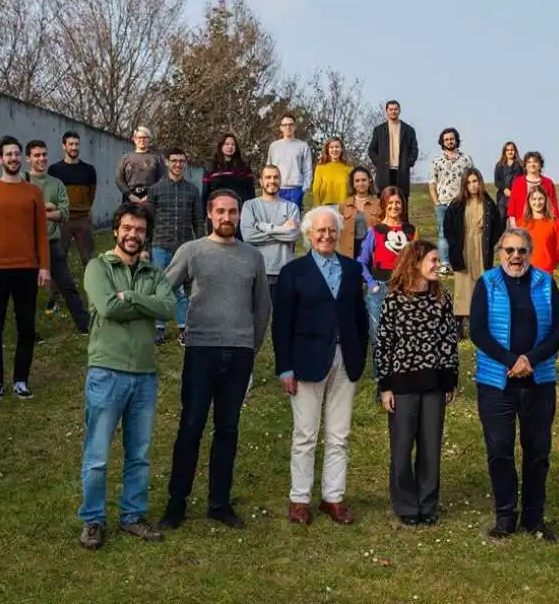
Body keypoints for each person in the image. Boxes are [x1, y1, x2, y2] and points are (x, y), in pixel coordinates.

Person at [158, 189, 272, 531]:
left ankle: (219, 504)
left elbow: (263, 306)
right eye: (220, 211)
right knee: (191, 426)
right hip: (201, 351)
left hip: (238, 354)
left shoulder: (253, 256)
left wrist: (250, 348)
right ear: (209, 214)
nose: (227, 218)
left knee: (228, 429)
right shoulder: (192, 251)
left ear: (239, 216)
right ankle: (176, 504)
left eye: (232, 212)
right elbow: (163, 289)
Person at [78, 203, 176, 550]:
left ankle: (132, 516)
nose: (133, 235)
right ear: (116, 230)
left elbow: (169, 307)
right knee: (98, 454)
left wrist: (132, 297)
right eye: (127, 228)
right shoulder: (98, 267)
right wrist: (144, 303)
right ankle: (92, 520)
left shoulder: (154, 272)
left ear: (146, 234)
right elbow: (107, 307)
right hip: (107, 371)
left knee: (139, 453)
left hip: (145, 375)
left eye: (139, 230)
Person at [469, 228, 559, 543]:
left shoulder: (545, 282)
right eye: (509, 250)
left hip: (538, 381)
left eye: (521, 250)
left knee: (537, 451)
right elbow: (478, 330)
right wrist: (511, 360)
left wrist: (531, 360)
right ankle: (505, 515)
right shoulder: (487, 283)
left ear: (530, 252)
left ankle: (534, 517)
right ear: (500, 252)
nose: (515, 257)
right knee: (499, 450)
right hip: (496, 383)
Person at [272, 207, 369, 525]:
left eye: (332, 230)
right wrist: (285, 367)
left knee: (339, 434)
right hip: (306, 361)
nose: (326, 236)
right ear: (309, 235)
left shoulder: (353, 270)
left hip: (346, 360)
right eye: (320, 231)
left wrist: (360, 355)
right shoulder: (293, 272)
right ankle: (299, 499)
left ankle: (333, 497)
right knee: (305, 433)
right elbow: (281, 323)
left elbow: (360, 318)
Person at [374, 240, 459, 526]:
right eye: (433, 260)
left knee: (430, 446)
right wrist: (385, 386)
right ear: (416, 263)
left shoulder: (442, 297)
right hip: (402, 385)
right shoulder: (394, 299)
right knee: (401, 447)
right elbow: (383, 343)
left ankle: (428, 502)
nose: (438, 265)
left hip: (434, 383)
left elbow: (449, 340)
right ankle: (406, 504)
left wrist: (450, 380)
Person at [0, 135, 51, 401]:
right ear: (0, 159)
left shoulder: (33, 192)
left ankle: (21, 380)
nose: (14, 158)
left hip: (27, 270)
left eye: (17, 154)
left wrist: (44, 268)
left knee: (26, 327)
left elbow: (41, 233)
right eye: (9, 154)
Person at [24, 139, 90, 334]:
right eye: (37, 155)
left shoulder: (56, 183)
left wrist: (44, 211)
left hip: (51, 242)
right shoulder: (21, 180)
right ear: (28, 158)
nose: (41, 158)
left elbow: (64, 213)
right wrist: (48, 208)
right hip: (26, 245)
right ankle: (29, 332)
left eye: (44, 154)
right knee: (28, 291)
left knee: (67, 285)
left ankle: (84, 325)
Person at [148, 147, 205, 345]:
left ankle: (184, 329)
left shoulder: (192, 190)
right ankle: (159, 329)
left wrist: (202, 245)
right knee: (160, 288)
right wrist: (146, 249)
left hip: (184, 246)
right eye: (174, 160)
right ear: (166, 162)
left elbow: (198, 220)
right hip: (160, 244)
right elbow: (149, 221)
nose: (178, 164)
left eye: (182, 161)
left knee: (180, 289)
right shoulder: (155, 189)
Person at [358, 188, 417, 363]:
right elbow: (361, 261)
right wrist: (372, 285)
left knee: (405, 335)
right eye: (390, 203)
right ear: (383, 205)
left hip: (405, 289)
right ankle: (382, 380)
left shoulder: (411, 231)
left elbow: (419, 260)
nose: (394, 206)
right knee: (379, 337)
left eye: (397, 202)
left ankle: (402, 377)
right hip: (380, 287)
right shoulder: (375, 231)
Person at [443, 167, 503, 339]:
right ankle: (459, 322)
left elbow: (497, 225)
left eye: (475, 181)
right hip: (463, 247)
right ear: (464, 185)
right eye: (468, 182)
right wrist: (454, 246)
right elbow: (448, 228)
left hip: (481, 246)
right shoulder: (456, 204)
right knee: (463, 284)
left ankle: (480, 322)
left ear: (480, 182)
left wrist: (491, 242)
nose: (472, 185)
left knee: (482, 281)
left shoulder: (488, 203)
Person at [46, 130, 97, 313]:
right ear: (64, 146)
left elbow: (91, 194)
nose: (74, 147)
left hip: (83, 219)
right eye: (71, 144)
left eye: (77, 144)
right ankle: (53, 298)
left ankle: (95, 297)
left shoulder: (89, 170)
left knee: (89, 260)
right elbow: (51, 193)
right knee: (58, 259)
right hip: (62, 220)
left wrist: (86, 210)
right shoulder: (55, 170)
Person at [239, 165, 301, 302]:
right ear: (261, 181)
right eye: (268, 177)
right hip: (258, 271)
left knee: (284, 320)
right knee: (258, 320)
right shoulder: (250, 206)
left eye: (276, 177)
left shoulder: (291, 207)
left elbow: (293, 235)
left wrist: (265, 227)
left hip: (285, 271)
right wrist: (282, 230)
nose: (272, 181)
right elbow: (248, 236)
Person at [428, 127, 474, 274]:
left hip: (461, 202)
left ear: (456, 140)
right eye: (446, 139)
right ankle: (445, 263)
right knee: (443, 233)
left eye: (451, 139)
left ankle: (461, 261)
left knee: (463, 232)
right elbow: (432, 183)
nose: (449, 141)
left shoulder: (466, 159)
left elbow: (473, 180)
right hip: (443, 202)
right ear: (442, 142)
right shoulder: (437, 161)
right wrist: (436, 202)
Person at [367, 100, 419, 202]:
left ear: (399, 111)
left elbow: (414, 149)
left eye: (395, 109)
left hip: (401, 171)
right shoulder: (379, 130)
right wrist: (379, 163)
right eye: (391, 109)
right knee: (384, 201)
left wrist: (408, 163)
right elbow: (371, 150)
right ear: (386, 111)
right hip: (384, 172)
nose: (393, 111)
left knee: (402, 201)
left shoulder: (409, 130)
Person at [202, 133, 255, 222]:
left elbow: (251, 192)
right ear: (221, 146)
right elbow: (205, 193)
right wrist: (204, 214)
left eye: (233, 144)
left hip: (240, 214)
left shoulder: (244, 167)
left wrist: (252, 213)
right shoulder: (211, 167)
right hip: (218, 214)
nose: (230, 147)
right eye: (226, 144)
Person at [266, 113, 313, 212]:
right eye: (285, 125)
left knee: (294, 223)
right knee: (277, 221)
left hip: (296, 190)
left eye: (291, 124)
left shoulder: (303, 146)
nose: (288, 127)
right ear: (281, 128)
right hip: (277, 189)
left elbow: (307, 169)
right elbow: (268, 169)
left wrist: (304, 189)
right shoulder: (274, 146)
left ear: (295, 127)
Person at [337, 167, 382, 259]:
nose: (360, 183)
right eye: (357, 181)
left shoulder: (379, 204)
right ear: (353, 184)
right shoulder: (343, 205)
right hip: (349, 251)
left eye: (363, 180)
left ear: (369, 181)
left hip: (372, 250)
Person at [506, 151, 559, 227]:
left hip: (543, 223)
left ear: (540, 165)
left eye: (535, 162)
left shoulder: (548, 183)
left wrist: (554, 223)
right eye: (529, 162)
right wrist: (514, 227)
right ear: (525, 165)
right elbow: (512, 206)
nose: (532, 164)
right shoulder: (518, 182)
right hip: (521, 224)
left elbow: (553, 205)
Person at [116, 126, 165, 206]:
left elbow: (162, 180)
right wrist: (129, 195)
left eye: (145, 137)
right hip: (129, 198)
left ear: (149, 139)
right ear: (134, 139)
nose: (142, 140)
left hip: (150, 199)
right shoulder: (125, 158)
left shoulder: (157, 158)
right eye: (139, 137)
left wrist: (149, 196)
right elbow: (119, 179)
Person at [520, 185, 559, 274]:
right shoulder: (522, 223)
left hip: (546, 271)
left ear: (545, 200)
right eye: (534, 199)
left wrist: (550, 265)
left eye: (540, 198)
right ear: (529, 201)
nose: (537, 202)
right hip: (525, 271)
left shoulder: (555, 223)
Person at [312, 136, 352, 206]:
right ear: (327, 150)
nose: (334, 149)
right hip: (325, 207)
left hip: (344, 207)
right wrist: (317, 207)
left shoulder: (349, 168)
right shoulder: (320, 167)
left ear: (341, 149)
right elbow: (316, 189)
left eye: (337, 147)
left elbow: (352, 190)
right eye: (331, 147)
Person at [493, 141, 523, 223]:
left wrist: (514, 192)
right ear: (504, 152)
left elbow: (523, 180)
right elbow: (497, 181)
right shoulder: (499, 165)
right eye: (508, 150)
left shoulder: (521, 165)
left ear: (515, 151)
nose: (510, 152)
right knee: (501, 218)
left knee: (515, 221)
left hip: (516, 196)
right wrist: (504, 189)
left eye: (512, 150)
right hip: (502, 196)